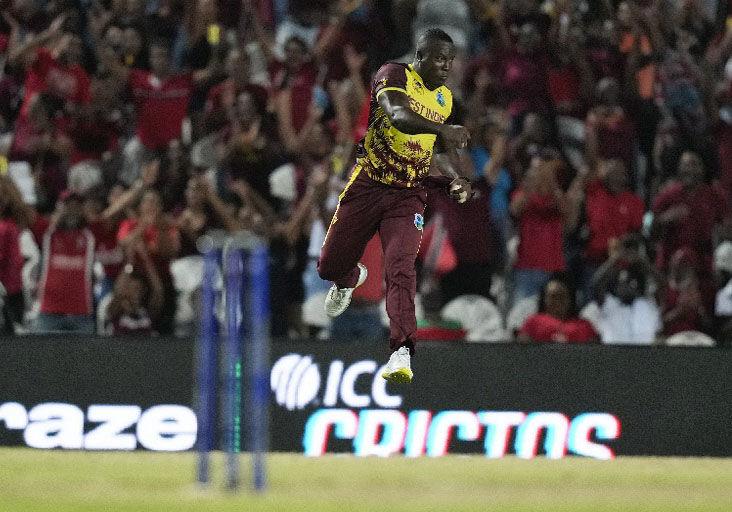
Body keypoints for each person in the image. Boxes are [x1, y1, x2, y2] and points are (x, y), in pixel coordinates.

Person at [317, 28, 471, 384]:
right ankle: (348, 277)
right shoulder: (392, 75)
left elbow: (433, 149)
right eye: (439, 58)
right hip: (370, 182)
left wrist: (455, 178)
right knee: (328, 264)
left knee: (400, 266)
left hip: (408, 193)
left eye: (450, 59)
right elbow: (398, 115)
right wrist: (443, 130)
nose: (446, 66)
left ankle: (401, 352)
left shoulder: (444, 98)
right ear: (419, 58)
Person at [517, 276, 598, 344]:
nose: (558, 300)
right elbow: (522, 349)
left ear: (570, 299)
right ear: (545, 299)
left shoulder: (584, 325)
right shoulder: (533, 322)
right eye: (553, 296)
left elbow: (595, 353)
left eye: (562, 296)